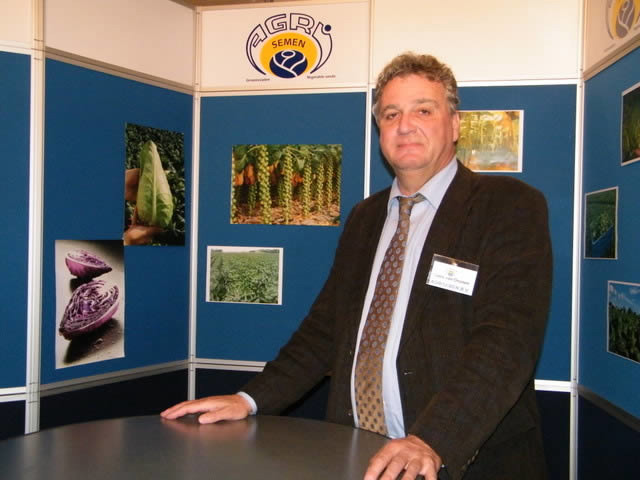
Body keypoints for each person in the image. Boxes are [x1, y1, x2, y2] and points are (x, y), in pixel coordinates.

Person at [161, 52, 552, 480]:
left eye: (424, 110)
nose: (406, 125)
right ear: (379, 129)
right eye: (391, 114)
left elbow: (506, 343)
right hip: (361, 455)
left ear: (455, 124)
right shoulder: (366, 218)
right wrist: (249, 400)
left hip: (458, 460)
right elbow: (325, 329)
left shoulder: (507, 206)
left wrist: (433, 440)